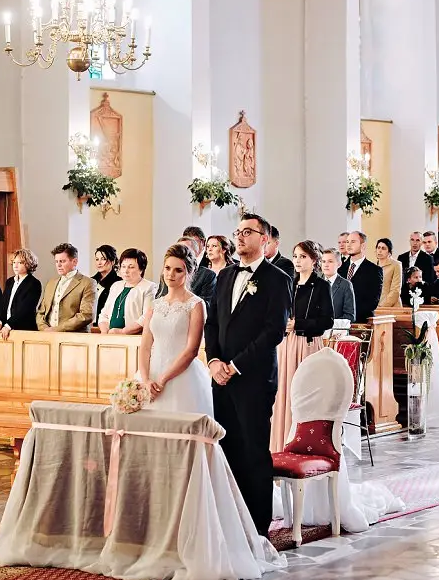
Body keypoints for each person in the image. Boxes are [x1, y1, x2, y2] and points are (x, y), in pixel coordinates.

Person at [204, 214, 293, 537]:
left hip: (253, 378)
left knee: (254, 450)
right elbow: (212, 322)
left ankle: (257, 527)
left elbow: (273, 332)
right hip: (221, 377)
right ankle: (231, 518)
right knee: (227, 448)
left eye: (248, 232)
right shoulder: (225, 275)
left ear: (264, 239)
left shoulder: (277, 278)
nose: (240, 237)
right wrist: (214, 361)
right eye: (238, 232)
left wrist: (236, 365)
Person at [271, 240, 334, 452]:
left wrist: (299, 324)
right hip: (286, 345)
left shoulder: (322, 286)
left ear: (314, 260)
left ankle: (304, 443)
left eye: (303, 257)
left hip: (306, 345)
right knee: (284, 393)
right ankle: (280, 443)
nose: (298, 261)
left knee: (303, 394)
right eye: (296, 256)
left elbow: (327, 321)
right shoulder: (289, 282)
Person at [140, 244, 214, 418]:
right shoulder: (155, 304)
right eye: (167, 268)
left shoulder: (196, 305)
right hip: (151, 374)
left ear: (188, 273)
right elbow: (144, 346)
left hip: (182, 376)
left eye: (178, 270)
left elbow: (191, 351)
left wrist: (163, 380)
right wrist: (145, 380)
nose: (170, 274)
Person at [35, 243, 97, 332]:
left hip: (74, 338)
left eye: (62, 261)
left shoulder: (88, 283)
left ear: (74, 261)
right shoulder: (51, 283)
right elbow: (41, 312)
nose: (58, 265)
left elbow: (86, 314)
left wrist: (57, 329)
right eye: (56, 261)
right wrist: (44, 329)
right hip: (48, 336)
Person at [98, 248, 156, 335]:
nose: (126, 271)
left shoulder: (149, 287)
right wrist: (104, 331)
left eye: (131, 267)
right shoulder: (116, 286)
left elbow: (147, 317)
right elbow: (104, 314)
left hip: (134, 338)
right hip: (110, 336)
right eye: (123, 266)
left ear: (141, 269)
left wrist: (122, 332)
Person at [0, 248, 43, 338]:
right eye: (14, 262)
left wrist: (9, 325)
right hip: (5, 328)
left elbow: (25, 309)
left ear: (28, 264)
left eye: (20, 263)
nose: (15, 266)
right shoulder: (10, 282)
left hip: (23, 329)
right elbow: (3, 304)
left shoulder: (34, 283)